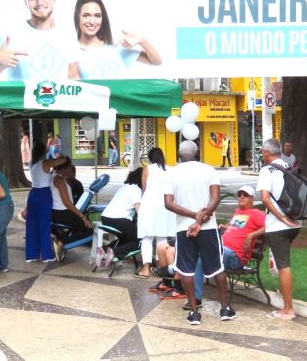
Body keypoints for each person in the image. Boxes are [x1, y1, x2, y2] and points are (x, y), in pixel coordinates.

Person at [163, 140, 234, 326]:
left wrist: (194, 217)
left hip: (183, 229)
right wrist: (201, 217)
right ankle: (225, 309)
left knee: (186, 269)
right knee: (217, 268)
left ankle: (194, 313)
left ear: (179, 155)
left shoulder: (172, 173)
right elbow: (215, 198)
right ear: (198, 153)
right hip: (208, 228)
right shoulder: (208, 170)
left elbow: (169, 203)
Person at [186, 184, 266, 304]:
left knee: (204, 251)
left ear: (252, 199)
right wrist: (226, 226)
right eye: (239, 195)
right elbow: (237, 225)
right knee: (199, 258)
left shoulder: (256, 213)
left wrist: (251, 235)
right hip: (223, 251)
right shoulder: (238, 212)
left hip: (235, 257)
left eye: (245, 195)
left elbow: (268, 226)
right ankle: (196, 298)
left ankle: (172, 270)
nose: (241, 197)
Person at [68, 0, 162, 79]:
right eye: (86, 15)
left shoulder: (116, 48)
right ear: (77, 17)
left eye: (97, 16)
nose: (92, 22)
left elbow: (156, 62)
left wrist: (142, 41)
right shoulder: (69, 51)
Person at [258, 137, 301, 319]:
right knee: (281, 263)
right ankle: (285, 295)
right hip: (295, 224)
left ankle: (288, 309)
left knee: (284, 266)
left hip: (278, 226)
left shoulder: (267, 170)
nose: (262, 155)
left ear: (267, 153)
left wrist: (281, 217)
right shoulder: (289, 167)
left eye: (262, 152)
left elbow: (265, 199)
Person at [21, 141, 69, 263]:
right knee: (44, 225)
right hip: (43, 194)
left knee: (31, 225)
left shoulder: (32, 163)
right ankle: (46, 255)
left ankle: (31, 255)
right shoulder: (45, 163)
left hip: (33, 194)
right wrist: (60, 156)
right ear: (44, 152)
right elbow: (63, 161)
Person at [136, 147, 176, 279]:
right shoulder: (170, 170)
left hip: (149, 206)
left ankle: (146, 269)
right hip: (166, 207)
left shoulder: (147, 169)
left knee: (147, 238)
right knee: (162, 238)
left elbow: (144, 188)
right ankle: (161, 268)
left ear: (150, 158)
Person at [99, 168, 142, 264]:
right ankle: (114, 252)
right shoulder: (136, 189)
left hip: (105, 218)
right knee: (137, 241)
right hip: (118, 219)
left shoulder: (125, 186)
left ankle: (104, 249)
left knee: (126, 238)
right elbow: (139, 210)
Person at [50, 159, 93, 244]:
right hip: (63, 213)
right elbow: (67, 202)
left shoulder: (51, 177)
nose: (70, 170)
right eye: (69, 167)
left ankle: (61, 239)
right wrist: (82, 216)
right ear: (63, 168)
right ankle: (62, 243)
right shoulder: (59, 180)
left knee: (79, 227)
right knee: (89, 230)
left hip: (54, 212)